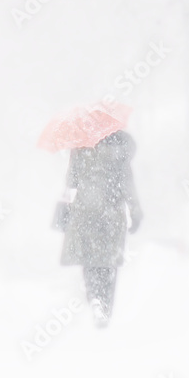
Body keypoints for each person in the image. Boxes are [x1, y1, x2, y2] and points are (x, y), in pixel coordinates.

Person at [57, 130, 142, 327]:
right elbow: (128, 186)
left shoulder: (81, 148)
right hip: (112, 215)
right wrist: (135, 212)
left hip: (86, 213)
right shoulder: (120, 150)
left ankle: (94, 298)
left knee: (89, 261)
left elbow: (71, 182)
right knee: (109, 263)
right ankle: (105, 305)